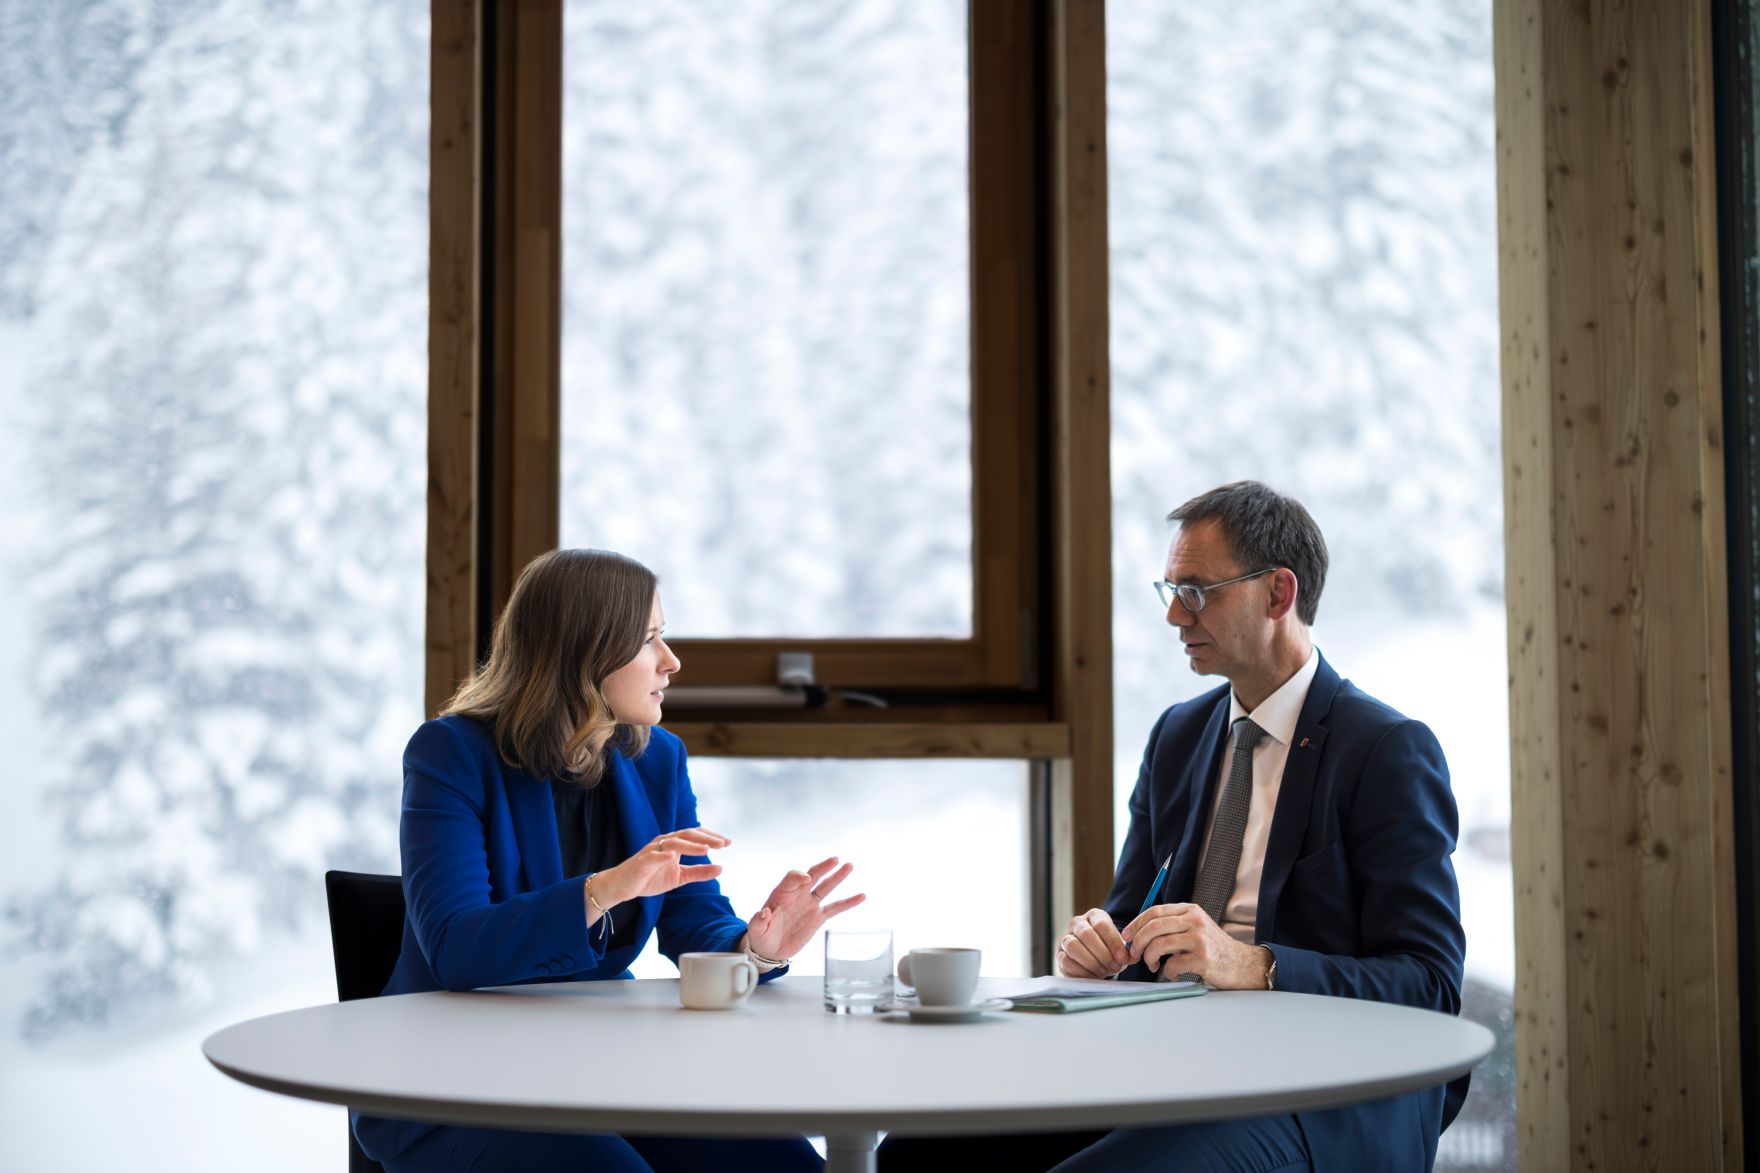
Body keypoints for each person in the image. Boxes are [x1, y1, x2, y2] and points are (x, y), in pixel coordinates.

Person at [880, 480, 1467, 1173]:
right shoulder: (1179, 735)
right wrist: (1097, 949)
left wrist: (1252, 964)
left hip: (1314, 1093)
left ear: (1278, 594)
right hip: (1169, 1064)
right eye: (1171, 590)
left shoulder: (1386, 748)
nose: (1175, 616)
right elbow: (1129, 920)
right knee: (918, 1154)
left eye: (1197, 591)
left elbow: (1428, 984)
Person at [353, 548, 864, 1173]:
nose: (671, 662)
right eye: (650, 639)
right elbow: (457, 950)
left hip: (603, 1073)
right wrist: (604, 889)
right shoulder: (451, 754)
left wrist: (755, 948)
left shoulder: (657, 759)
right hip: (455, 1089)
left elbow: (690, 919)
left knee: (783, 1165)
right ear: (584, 651)